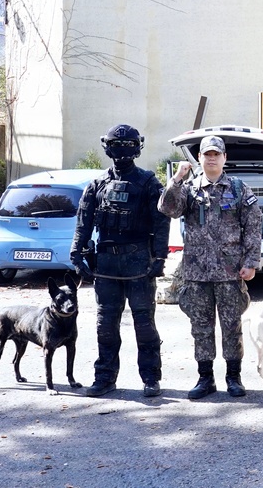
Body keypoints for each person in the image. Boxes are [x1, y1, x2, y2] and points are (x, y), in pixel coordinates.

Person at [70, 124, 171, 398]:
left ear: (137, 148)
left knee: (144, 323)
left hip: (138, 261)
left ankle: (151, 377)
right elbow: (84, 222)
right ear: (107, 147)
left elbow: (162, 221)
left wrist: (160, 257)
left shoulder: (149, 182)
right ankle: (104, 378)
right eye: (117, 145)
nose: (122, 151)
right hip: (107, 264)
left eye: (128, 146)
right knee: (105, 323)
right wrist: (76, 254)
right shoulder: (97, 184)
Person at [158, 135, 262, 399]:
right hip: (197, 274)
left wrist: (250, 262)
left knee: (231, 326)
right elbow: (167, 208)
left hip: (230, 273)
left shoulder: (239, 189)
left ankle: (233, 377)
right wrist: (177, 179)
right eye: (207, 154)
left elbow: (252, 227)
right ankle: (205, 378)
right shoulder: (190, 189)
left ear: (225, 157)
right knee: (201, 327)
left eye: (216, 154)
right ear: (199, 159)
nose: (212, 158)